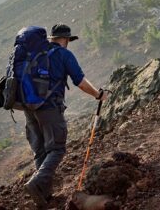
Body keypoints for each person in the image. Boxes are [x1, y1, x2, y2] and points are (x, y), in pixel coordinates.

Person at [23, 24, 108, 207]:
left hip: (28, 108)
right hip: (49, 108)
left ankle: (44, 197)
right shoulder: (64, 54)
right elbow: (80, 81)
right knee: (57, 149)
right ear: (66, 39)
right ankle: (36, 183)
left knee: (41, 151)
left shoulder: (34, 53)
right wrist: (98, 94)